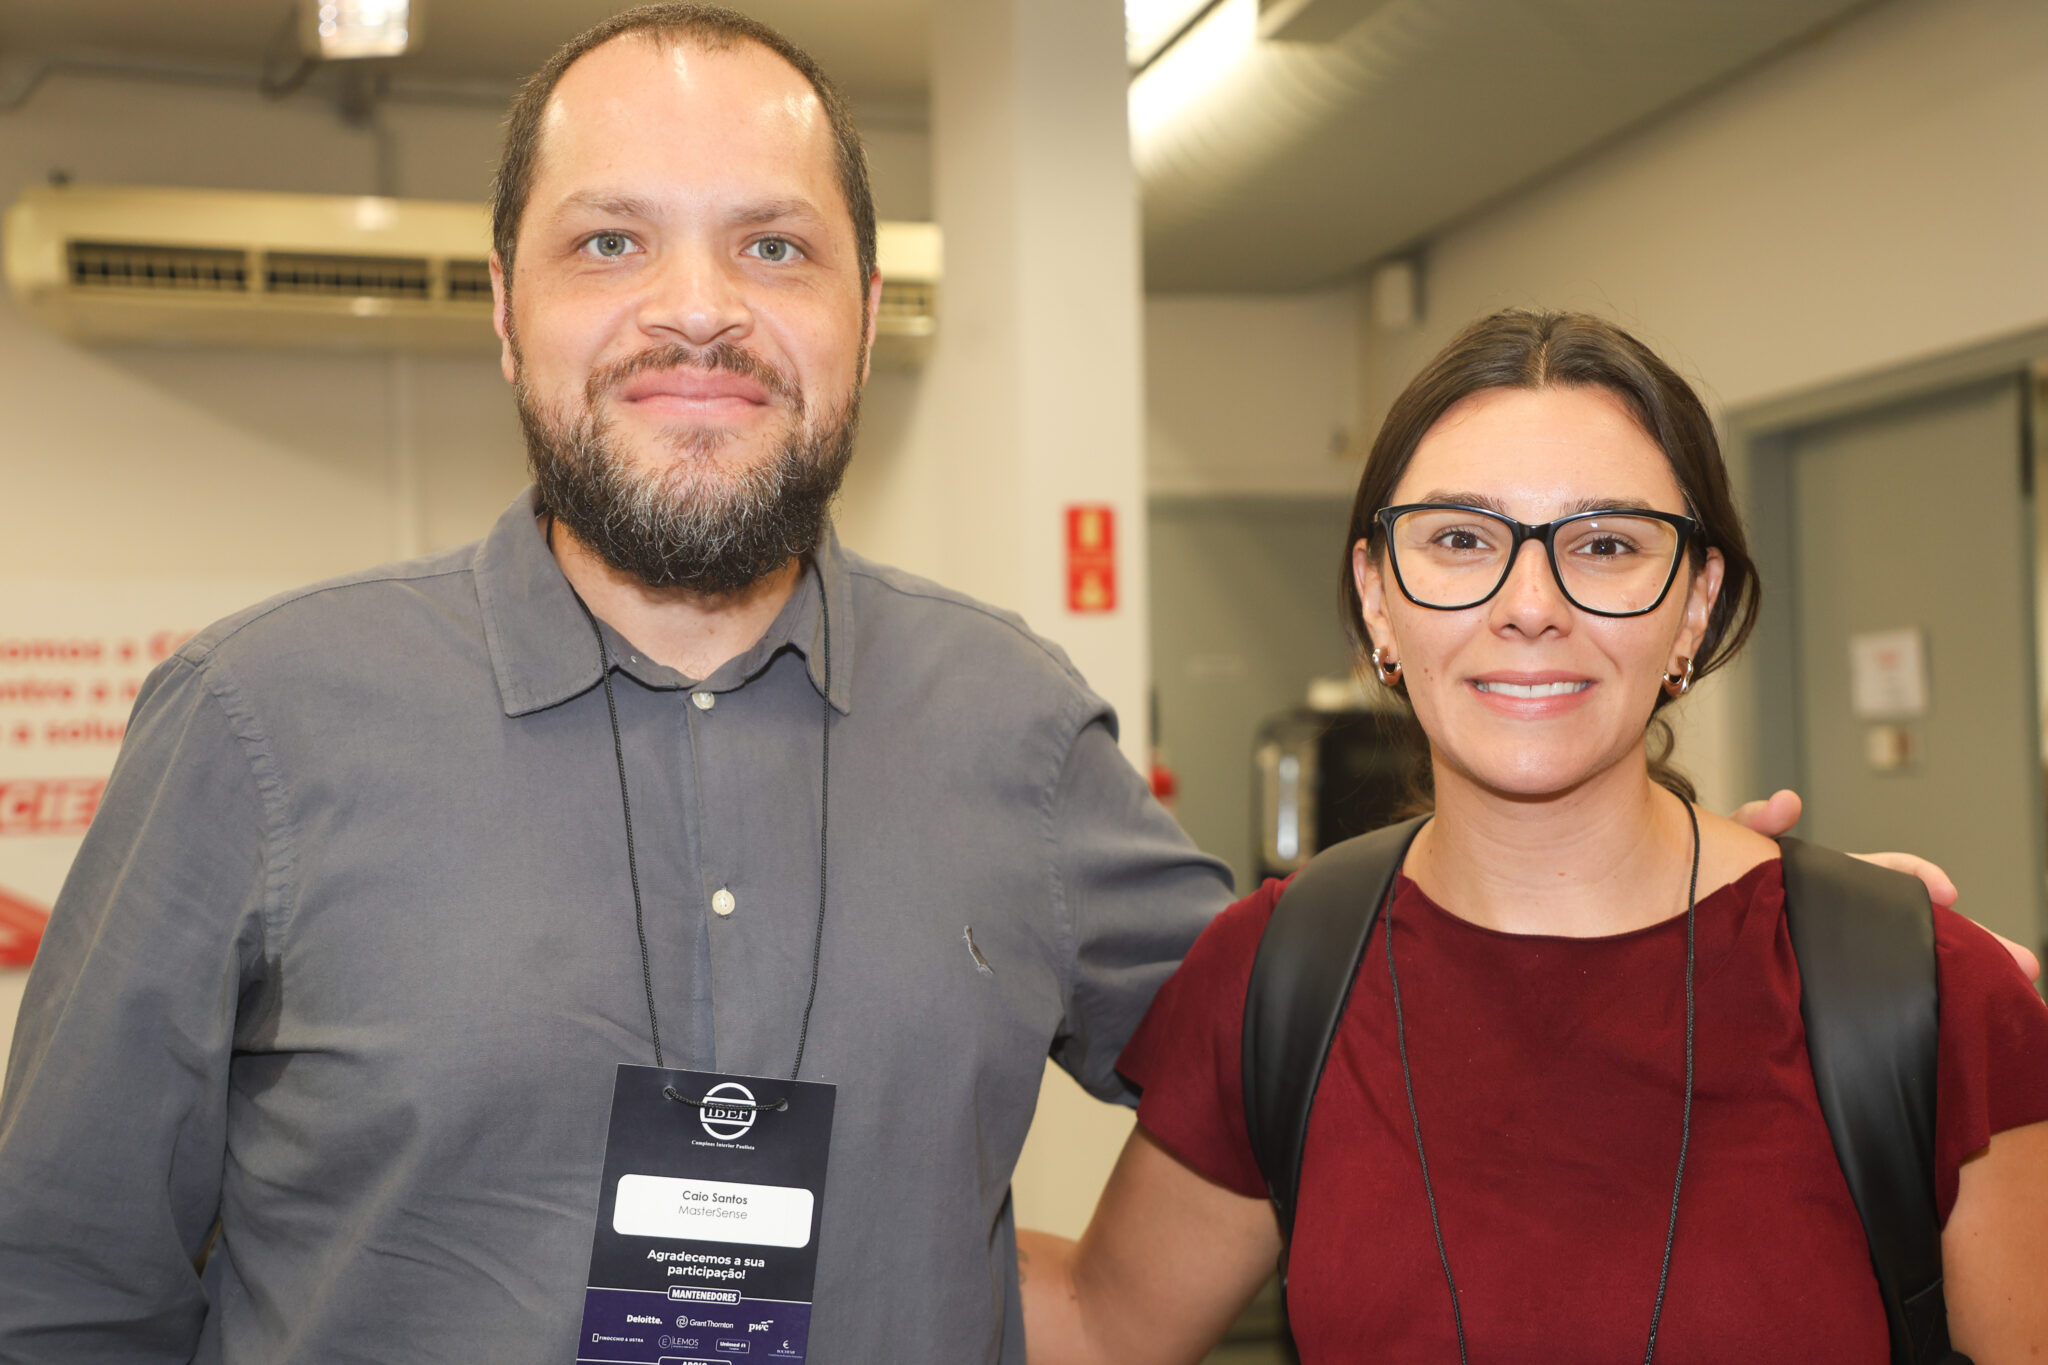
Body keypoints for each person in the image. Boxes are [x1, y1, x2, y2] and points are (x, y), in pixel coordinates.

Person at [0, 11, 2005, 1363]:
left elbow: (1350, 1029)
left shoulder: (1010, 730)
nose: (694, 312)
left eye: (772, 248)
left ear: (866, 311)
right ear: (505, 307)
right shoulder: (258, 726)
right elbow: (61, 1289)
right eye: (609, 243)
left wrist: (1714, 919)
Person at [1018, 311, 2048, 1364]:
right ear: (1377, 597)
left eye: (1605, 546)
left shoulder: (1912, 992)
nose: (1529, 605)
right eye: (1460, 539)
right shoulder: (1279, 974)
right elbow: (1100, 1326)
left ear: (1695, 604)